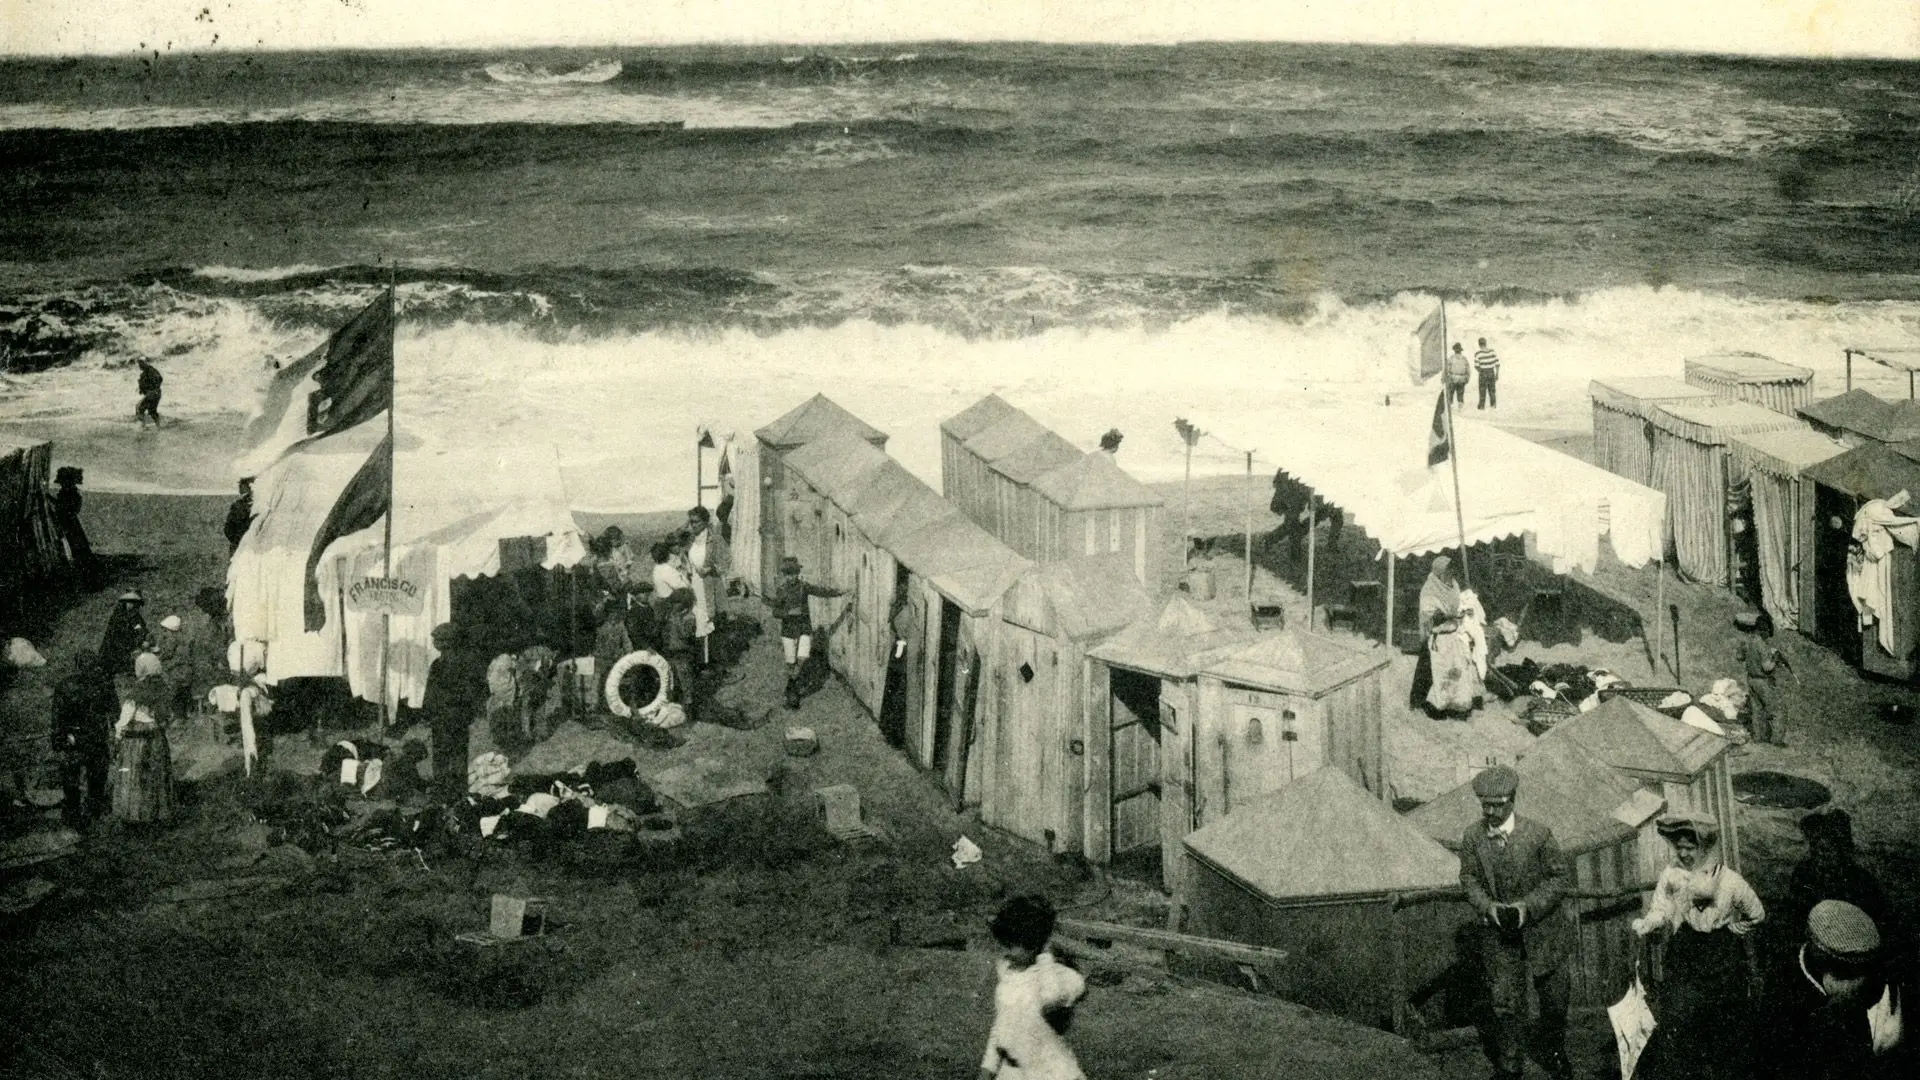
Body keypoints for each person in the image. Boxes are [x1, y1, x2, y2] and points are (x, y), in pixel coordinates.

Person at [1457, 765, 1574, 1080]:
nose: (1491, 812)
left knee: (1554, 1001)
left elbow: (1559, 877)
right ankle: (1510, 1066)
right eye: (1485, 805)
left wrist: (1529, 907)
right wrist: (1487, 907)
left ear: (1512, 801)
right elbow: (1468, 877)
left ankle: (1554, 1053)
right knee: (1505, 1003)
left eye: (1498, 805)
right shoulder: (1472, 836)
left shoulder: (1539, 833)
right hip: (1499, 935)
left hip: (1544, 930)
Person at [1629, 813, 1766, 1080]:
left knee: (1724, 1026)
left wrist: (1734, 930)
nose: (1684, 854)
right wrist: (1647, 923)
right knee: (1678, 1021)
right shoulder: (1672, 876)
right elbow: (1662, 910)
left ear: (1704, 847)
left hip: (1722, 954)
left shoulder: (1730, 880)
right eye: (1679, 848)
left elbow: (1757, 914)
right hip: (1686, 951)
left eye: (1690, 848)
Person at [1759, 900, 1905, 1079]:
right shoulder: (1794, 1019)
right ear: (1832, 977)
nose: (1863, 987)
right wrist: (1882, 1054)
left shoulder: (1801, 958)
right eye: (1855, 977)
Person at [979, 895, 1088, 1080]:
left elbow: (1051, 998)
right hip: (1011, 1073)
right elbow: (1001, 1026)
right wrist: (987, 1069)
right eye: (1006, 943)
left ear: (1033, 942)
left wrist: (1045, 956)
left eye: (1015, 944)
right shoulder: (1008, 973)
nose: (1009, 951)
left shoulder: (1062, 976)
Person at [421, 623, 490, 802]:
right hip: (458, 717)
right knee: (458, 753)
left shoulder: (439, 664)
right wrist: (468, 712)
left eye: (438, 640)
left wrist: (429, 714)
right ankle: (458, 791)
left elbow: (431, 693)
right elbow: (474, 692)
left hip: (443, 717)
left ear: (446, 643)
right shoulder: (466, 663)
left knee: (442, 754)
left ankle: (442, 791)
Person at [50, 651, 115, 829]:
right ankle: (93, 811)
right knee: (97, 776)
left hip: (74, 738)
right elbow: (115, 712)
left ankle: (73, 815)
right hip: (96, 737)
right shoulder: (104, 684)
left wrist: (58, 740)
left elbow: (57, 717)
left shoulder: (65, 685)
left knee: (71, 778)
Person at [771, 555, 844, 710]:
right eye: (789, 573)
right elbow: (775, 611)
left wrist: (839, 593)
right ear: (785, 575)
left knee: (803, 658)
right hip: (788, 631)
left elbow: (821, 591)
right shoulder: (782, 590)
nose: (792, 577)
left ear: (798, 573)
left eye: (794, 573)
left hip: (803, 628)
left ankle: (793, 688)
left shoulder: (804, 587)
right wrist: (788, 613)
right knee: (791, 664)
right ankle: (792, 688)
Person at [111, 651, 175, 824]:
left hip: (137, 741)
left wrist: (117, 738)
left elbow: (125, 719)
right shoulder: (162, 688)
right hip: (157, 739)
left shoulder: (137, 692)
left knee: (137, 778)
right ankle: (159, 813)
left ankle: (138, 816)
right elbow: (167, 716)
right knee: (157, 776)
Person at [1410, 555, 1461, 710]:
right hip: (1433, 633)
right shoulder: (1430, 587)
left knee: (1446, 668)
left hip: (1449, 632)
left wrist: (1459, 613)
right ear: (1439, 571)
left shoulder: (1453, 585)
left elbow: (1455, 604)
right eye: (1447, 570)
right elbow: (1427, 613)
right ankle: (1418, 701)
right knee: (1426, 666)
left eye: (1451, 569)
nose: (1450, 572)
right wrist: (1446, 615)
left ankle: (1443, 701)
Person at [685, 506, 730, 663]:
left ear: (705, 522)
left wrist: (710, 568)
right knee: (697, 618)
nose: (693, 525)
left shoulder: (715, 539)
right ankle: (702, 660)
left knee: (709, 619)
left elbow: (726, 561)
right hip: (694, 584)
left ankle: (713, 661)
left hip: (709, 584)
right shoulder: (690, 539)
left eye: (696, 522)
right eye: (691, 522)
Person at [1737, 611, 1787, 746]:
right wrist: (1775, 659)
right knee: (1776, 709)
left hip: (1751, 679)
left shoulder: (1746, 641)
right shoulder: (1762, 645)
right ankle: (1777, 740)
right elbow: (1767, 667)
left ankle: (1759, 737)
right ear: (1763, 630)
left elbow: (1739, 657)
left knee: (1757, 710)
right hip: (1762, 681)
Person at [50, 465, 98, 586]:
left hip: (70, 525)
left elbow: (68, 509)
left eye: (64, 482)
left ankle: (87, 579)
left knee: (78, 550)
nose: (62, 485)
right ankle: (86, 577)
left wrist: (53, 502)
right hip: (69, 524)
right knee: (77, 550)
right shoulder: (68, 494)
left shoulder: (73, 495)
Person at [98, 590, 150, 681]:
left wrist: (141, 638)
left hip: (128, 645)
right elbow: (114, 636)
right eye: (129, 602)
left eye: (134, 602)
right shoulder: (118, 615)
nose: (131, 604)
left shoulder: (135, 616)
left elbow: (141, 629)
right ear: (125, 602)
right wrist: (134, 643)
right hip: (115, 647)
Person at [223, 477, 255, 554]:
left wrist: (237, 541)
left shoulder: (238, 505)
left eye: (241, 485)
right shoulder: (257, 504)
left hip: (240, 548)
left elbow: (228, 530)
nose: (239, 488)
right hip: (246, 548)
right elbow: (228, 529)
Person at [134, 358, 164, 428]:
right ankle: (158, 427)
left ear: (144, 363)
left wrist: (153, 388)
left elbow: (159, 379)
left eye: (140, 364)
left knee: (139, 408)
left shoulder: (150, 370)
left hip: (153, 393)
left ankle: (143, 427)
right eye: (139, 364)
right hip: (156, 393)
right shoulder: (146, 372)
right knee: (152, 411)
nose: (139, 366)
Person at [1474, 337, 1501, 410]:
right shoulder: (1492, 351)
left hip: (1483, 372)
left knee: (1482, 391)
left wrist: (1481, 372)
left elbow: (1476, 366)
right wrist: (1497, 374)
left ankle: (1482, 407)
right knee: (1492, 391)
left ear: (1479, 344)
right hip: (1491, 372)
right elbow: (1497, 364)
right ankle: (1493, 406)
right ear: (1486, 343)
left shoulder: (1478, 354)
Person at [1446, 342, 1471, 407]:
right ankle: (1460, 407)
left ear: (1454, 350)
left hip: (1453, 378)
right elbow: (1468, 370)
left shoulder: (1451, 358)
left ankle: (1450, 407)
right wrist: (1467, 378)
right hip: (1462, 378)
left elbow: (1447, 369)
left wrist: (1445, 378)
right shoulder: (1464, 358)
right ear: (1460, 350)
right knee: (1460, 394)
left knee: (1451, 393)